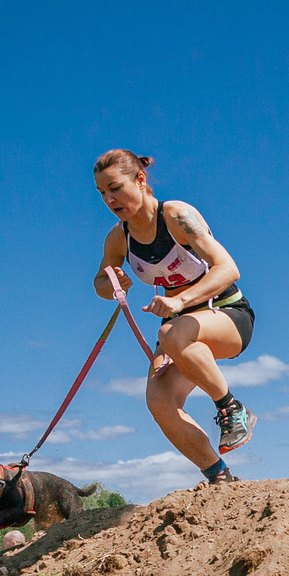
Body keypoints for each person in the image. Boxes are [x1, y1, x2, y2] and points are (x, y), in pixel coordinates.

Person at [91, 148, 257, 485]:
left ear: (140, 180)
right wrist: (113, 284)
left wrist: (180, 301)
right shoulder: (118, 238)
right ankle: (219, 477)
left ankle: (231, 409)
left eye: (115, 187)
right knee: (159, 401)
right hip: (180, 329)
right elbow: (99, 282)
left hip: (227, 314)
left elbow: (228, 268)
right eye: (102, 193)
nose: (109, 199)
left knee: (172, 334)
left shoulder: (176, 216)